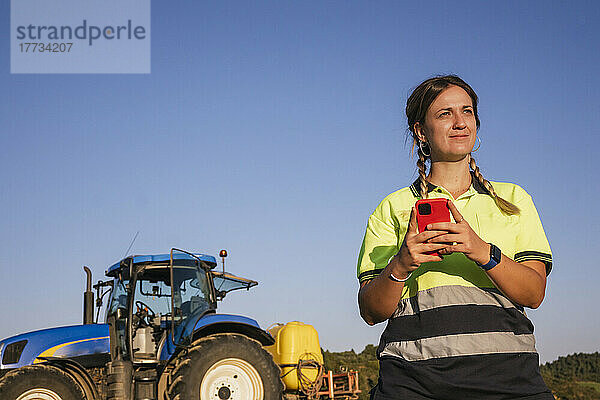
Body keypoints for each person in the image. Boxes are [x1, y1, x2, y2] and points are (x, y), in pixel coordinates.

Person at [357, 75, 553, 400]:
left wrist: (483, 251)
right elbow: (370, 311)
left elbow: (534, 294)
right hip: (410, 384)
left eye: (467, 111)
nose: (460, 122)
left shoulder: (515, 199)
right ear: (421, 131)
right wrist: (401, 264)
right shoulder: (390, 208)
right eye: (445, 114)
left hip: (509, 383)